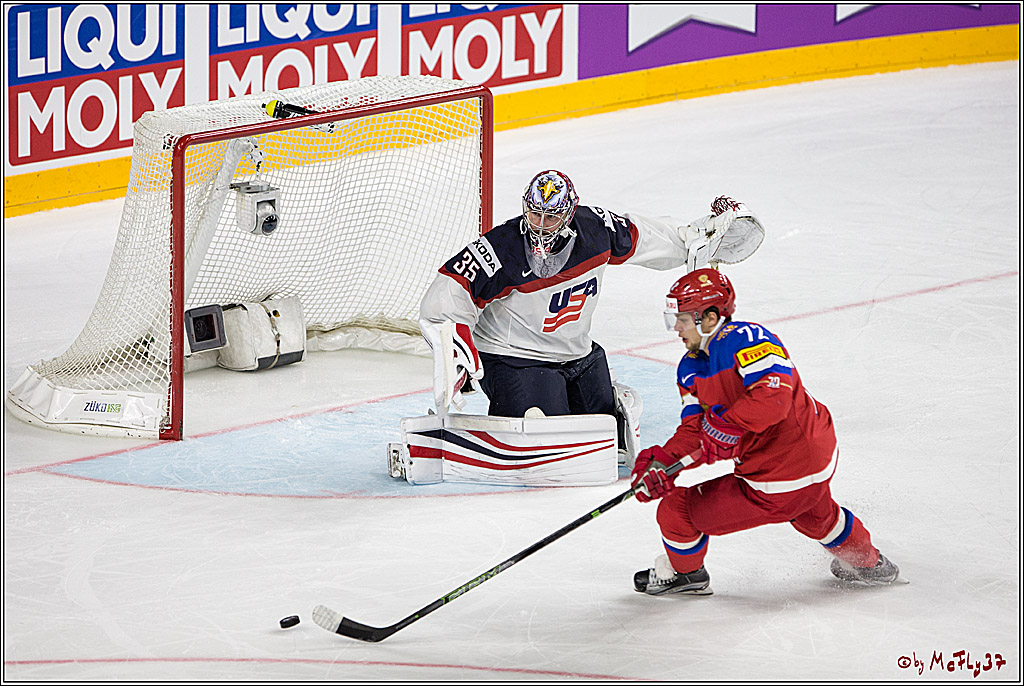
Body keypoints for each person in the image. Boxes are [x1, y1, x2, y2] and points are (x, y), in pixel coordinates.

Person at [418, 170, 766, 442]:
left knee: (609, 433)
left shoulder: (596, 229)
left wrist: (698, 237)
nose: (540, 225)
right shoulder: (502, 246)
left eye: (550, 217)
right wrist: (456, 348)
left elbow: (647, 238)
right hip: (513, 358)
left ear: (569, 213)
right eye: (534, 214)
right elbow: (449, 291)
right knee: (543, 432)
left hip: (577, 353)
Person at [630, 268, 901, 595]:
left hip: (777, 475)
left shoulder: (748, 339)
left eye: (684, 318)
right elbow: (695, 430)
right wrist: (664, 463)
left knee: (677, 511)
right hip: (814, 459)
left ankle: (686, 575)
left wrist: (725, 427)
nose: (676, 328)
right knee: (813, 513)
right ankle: (867, 563)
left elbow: (773, 397)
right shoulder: (691, 368)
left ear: (711, 318)